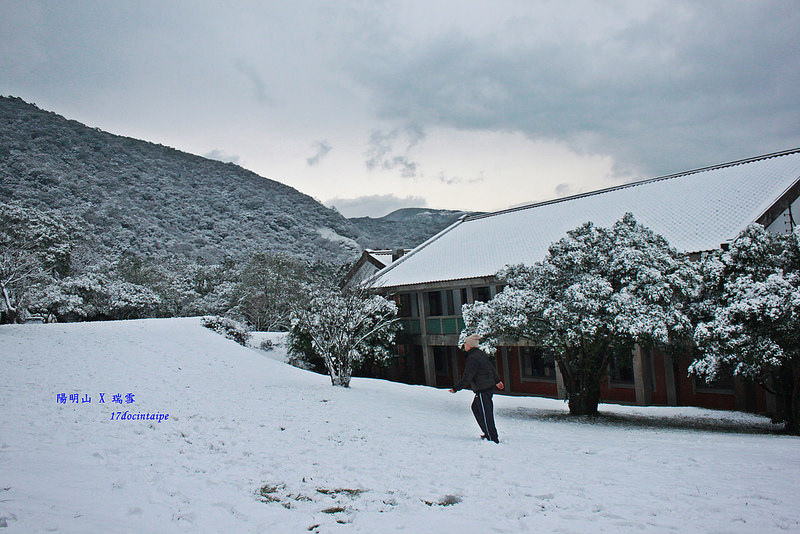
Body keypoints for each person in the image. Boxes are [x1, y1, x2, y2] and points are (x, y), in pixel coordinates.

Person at [449, 334, 505, 443]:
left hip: (483, 389)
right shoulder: (479, 354)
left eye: (465, 344)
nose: (464, 346)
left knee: (485, 413)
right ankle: (488, 432)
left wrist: (456, 388)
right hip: (486, 387)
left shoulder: (473, 358)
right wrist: (497, 381)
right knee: (476, 408)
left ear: (470, 345)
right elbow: (491, 368)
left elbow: (467, 376)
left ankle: (493, 438)